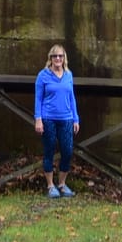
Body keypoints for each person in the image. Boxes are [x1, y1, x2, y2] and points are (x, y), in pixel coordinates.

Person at [34, 43, 81, 198]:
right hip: (48, 119)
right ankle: (50, 186)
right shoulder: (43, 75)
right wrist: (38, 119)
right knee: (49, 150)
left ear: (64, 58)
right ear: (51, 58)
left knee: (67, 151)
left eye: (61, 56)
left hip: (66, 119)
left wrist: (76, 118)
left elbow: (71, 97)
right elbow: (38, 99)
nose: (58, 58)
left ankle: (61, 183)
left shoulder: (69, 74)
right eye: (55, 56)